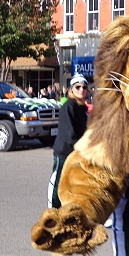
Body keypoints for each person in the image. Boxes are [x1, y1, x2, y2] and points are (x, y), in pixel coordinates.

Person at [47, 73, 89, 208]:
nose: (81, 90)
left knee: (71, 184)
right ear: (71, 90)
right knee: (58, 181)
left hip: (76, 153)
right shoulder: (69, 106)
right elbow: (70, 134)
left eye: (84, 87)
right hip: (64, 152)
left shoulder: (82, 108)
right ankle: (52, 210)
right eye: (78, 87)